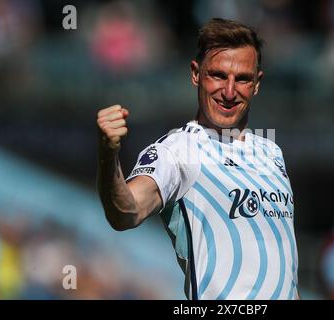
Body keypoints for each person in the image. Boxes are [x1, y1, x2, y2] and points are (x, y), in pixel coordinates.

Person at [97, 18, 298, 300]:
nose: (229, 92)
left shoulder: (272, 153)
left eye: (242, 79)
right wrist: (108, 155)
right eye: (217, 75)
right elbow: (125, 213)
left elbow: (285, 274)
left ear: (257, 83)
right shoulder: (179, 149)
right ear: (195, 73)